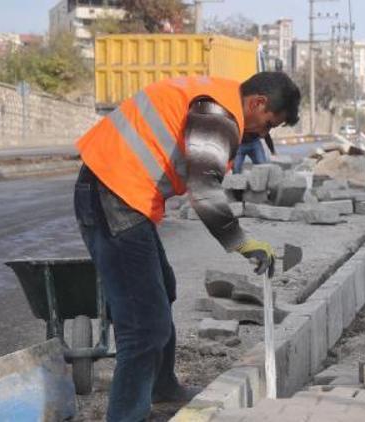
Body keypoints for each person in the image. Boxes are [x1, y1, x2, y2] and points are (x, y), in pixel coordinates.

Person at [73, 72, 300, 421]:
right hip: (114, 195)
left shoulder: (216, 97)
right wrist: (241, 243)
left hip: (119, 192)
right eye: (269, 123)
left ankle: (161, 389)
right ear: (258, 103)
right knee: (144, 326)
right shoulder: (218, 116)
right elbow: (204, 190)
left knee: (163, 290)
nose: (263, 133)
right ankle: (127, 415)